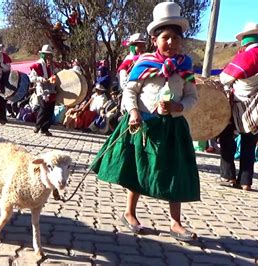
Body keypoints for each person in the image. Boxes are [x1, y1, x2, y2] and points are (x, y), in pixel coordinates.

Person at [91, 2, 199, 241]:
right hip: (144, 125)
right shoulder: (144, 63)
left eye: (176, 38)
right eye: (166, 37)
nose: (171, 43)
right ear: (154, 39)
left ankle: (175, 222)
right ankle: (129, 213)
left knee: (174, 171)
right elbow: (130, 91)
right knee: (138, 168)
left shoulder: (185, 66)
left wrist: (178, 107)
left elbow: (192, 97)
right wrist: (133, 112)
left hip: (172, 127)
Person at [217, 22, 258, 191]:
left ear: (244, 41)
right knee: (249, 144)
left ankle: (228, 175)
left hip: (238, 105)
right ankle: (246, 181)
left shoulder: (249, 55)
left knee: (226, 137)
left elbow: (225, 78)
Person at [30, 44, 58, 136]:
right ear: (43, 55)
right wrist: (42, 79)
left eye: (50, 54)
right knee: (44, 107)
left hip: (52, 89)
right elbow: (32, 78)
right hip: (42, 89)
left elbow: (57, 74)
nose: (49, 56)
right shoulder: (37, 65)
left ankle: (45, 129)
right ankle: (37, 126)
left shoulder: (53, 65)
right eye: (47, 54)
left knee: (50, 110)